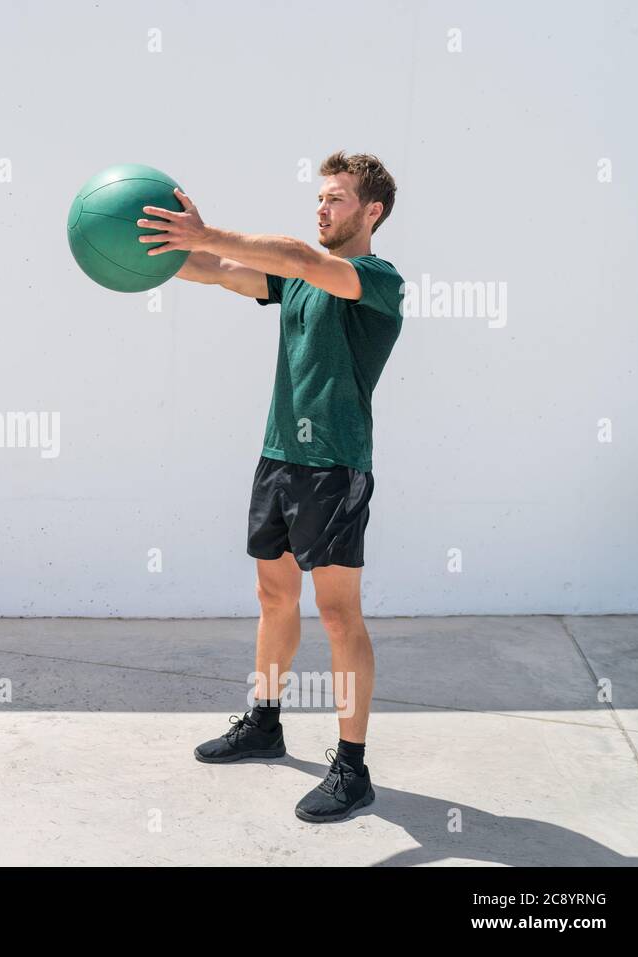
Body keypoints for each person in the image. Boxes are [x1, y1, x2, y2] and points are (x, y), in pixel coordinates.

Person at [140, 152, 404, 823]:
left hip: (335, 466)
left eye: (338, 198)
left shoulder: (375, 280)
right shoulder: (297, 282)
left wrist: (208, 232)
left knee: (340, 614)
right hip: (278, 457)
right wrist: (151, 251)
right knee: (272, 594)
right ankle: (264, 723)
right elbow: (219, 270)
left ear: (372, 211)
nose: (323, 207)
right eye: (320, 196)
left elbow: (301, 259)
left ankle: (352, 766)